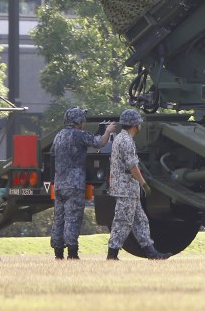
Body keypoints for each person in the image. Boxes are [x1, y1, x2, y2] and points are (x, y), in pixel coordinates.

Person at [50, 108, 118, 260]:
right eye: (82, 119)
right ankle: (72, 253)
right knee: (73, 218)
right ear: (78, 121)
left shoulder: (59, 136)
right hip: (74, 185)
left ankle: (58, 253)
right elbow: (100, 142)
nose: (84, 122)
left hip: (59, 184)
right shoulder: (79, 135)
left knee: (59, 219)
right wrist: (107, 131)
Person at [106, 109, 170, 260]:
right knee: (122, 222)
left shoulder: (122, 138)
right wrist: (144, 184)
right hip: (125, 189)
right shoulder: (126, 141)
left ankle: (151, 252)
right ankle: (112, 254)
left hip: (128, 189)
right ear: (135, 124)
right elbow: (132, 166)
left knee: (140, 221)